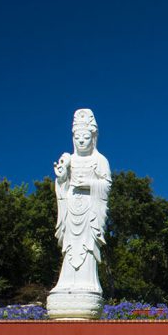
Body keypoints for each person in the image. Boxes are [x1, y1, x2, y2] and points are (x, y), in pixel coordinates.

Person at [49, 109, 112, 296]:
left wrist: (88, 184)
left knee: (87, 247)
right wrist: (61, 179)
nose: (82, 140)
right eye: (78, 137)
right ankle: (66, 284)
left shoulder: (100, 160)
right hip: (71, 209)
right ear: (73, 138)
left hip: (90, 211)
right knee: (70, 248)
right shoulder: (70, 160)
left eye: (86, 136)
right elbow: (63, 186)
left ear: (93, 137)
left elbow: (106, 185)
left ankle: (89, 284)